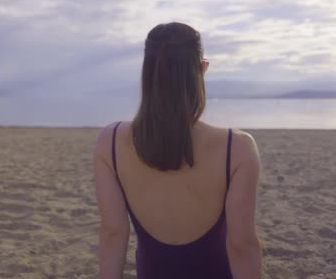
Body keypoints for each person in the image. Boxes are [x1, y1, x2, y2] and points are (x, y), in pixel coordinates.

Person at [93, 22, 262, 278]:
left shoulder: (110, 141)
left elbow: (113, 234)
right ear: (202, 69)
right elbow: (241, 245)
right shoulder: (237, 148)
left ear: (147, 72)